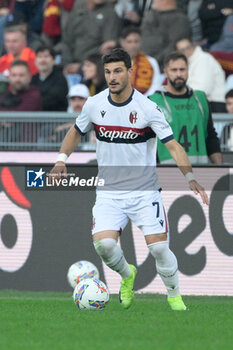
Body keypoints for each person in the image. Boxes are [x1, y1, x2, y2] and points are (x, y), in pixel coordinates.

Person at [50, 48, 209, 311]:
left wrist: (189, 176)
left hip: (145, 192)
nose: (112, 77)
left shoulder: (147, 108)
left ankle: (174, 296)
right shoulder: (94, 104)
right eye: (108, 72)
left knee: (159, 249)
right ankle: (127, 275)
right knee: (104, 245)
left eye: (118, 71)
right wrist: (60, 160)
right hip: (109, 192)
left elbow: (173, 146)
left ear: (130, 72)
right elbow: (75, 132)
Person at [149, 51, 222, 164]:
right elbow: (148, 143)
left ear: (188, 70)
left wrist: (219, 169)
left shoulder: (201, 98)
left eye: (182, 70)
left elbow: (211, 137)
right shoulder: (153, 101)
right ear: (165, 72)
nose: (179, 74)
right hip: (168, 173)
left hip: (201, 171)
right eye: (174, 70)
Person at [62, 0, 121, 74]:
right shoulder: (77, 8)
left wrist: (82, 66)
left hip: (95, 69)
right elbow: (67, 40)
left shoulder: (110, 13)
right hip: (70, 65)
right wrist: (66, 65)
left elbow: (107, 49)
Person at [176, 37, 226, 112]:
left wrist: (179, 92)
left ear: (193, 46)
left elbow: (202, 90)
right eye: (182, 50)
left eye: (188, 47)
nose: (186, 51)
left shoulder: (203, 59)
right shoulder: (189, 62)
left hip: (214, 105)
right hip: (200, 103)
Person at [141, 0, 191, 67]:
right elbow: (143, 39)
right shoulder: (150, 16)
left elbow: (174, 46)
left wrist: (155, 61)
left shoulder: (180, 19)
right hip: (145, 62)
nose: (154, 1)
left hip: (166, 66)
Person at [120, 26, 161, 95]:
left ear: (140, 42)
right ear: (123, 43)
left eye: (136, 41)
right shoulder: (115, 62)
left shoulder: (151, 61)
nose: (133, 45)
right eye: (129, 42)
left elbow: (155, 87)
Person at [31, 45, 68, 111]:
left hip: (57, 119)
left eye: (46, 56)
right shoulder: (33, 79)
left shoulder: (60, 79)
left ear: (54, 60)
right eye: (39, 57)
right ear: (35, 61)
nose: (43, 60)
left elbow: (53, 99)